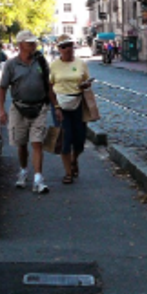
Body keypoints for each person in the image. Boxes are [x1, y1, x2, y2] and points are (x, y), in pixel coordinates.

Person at [0, 30, 61, 194]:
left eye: (34, 43)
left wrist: (56, 106)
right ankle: (23, 170)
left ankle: (38, 179)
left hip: (39, 108)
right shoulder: (11, 65)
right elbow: (2, 87)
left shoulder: (41, 61)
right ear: (20, 45)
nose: (33, 45)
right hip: (19, 108)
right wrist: (1, 110)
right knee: (21, 143)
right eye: (29, 43)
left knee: (37, 142)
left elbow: (49, 86)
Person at [49, 34, 93, 184]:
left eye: (70, 45)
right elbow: (49, 87)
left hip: (78, 103)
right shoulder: (54, 66)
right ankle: (68, 172)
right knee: (65, 139)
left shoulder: (81, 64)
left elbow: (87, 81)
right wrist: (55, 106)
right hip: (60, 105)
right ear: (59, 49)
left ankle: (74, 159)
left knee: (80, 139)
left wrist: (86, 84)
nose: (67, 49)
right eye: (64, 46)